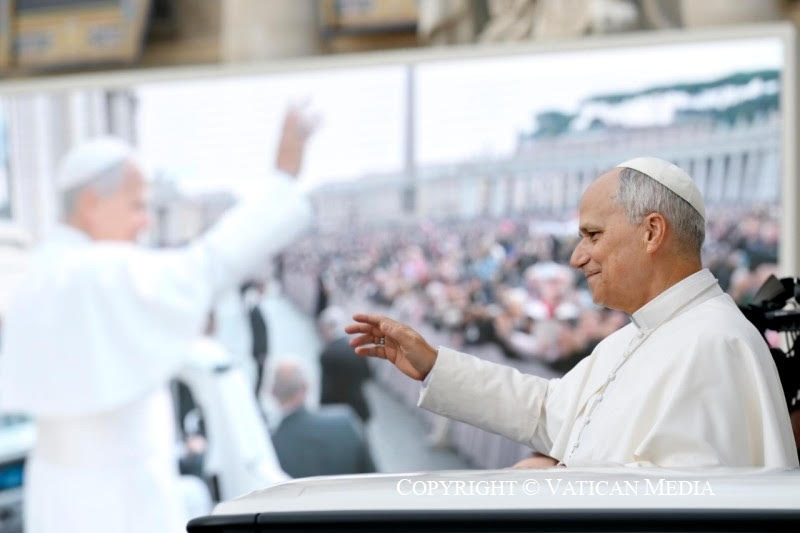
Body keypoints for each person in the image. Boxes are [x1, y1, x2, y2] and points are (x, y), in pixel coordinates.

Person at [346, 157, 799, 468]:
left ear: (652, 232)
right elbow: (549, 411)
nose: (577, 257)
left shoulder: (715, 343)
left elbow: (693, 506)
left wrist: (554, 485)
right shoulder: (634, 335)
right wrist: (435, 365)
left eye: (592, 235)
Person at [0, 107, 315, 533]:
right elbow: (211, 264)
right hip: (120, 500)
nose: (147, 221)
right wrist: (281, 181)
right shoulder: (99, 272)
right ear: (92, 203)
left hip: (54, 496)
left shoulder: (37, 272)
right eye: (137, 206)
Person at [270, 360, 376, 478]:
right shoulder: (344, 421)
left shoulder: (271, 445)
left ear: (273, 392)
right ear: (306, 386)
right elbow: (373, 477)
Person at [318, 306, 372, 422]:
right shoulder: (358, 349)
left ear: (327, 328)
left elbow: (326, 389)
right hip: (358, 408)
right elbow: (368, 375)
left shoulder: (327, 354)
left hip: (334, 411)